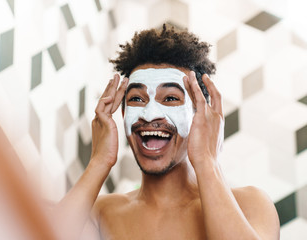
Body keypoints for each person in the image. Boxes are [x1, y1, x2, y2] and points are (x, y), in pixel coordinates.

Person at [53, 24, 280, 240]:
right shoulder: (100, 213)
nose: (150, 115)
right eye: (136, 99)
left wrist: (207, 162)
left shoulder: (250, 204)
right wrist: (99, 162)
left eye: (170, 98)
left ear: (201, 116)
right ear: (123, 115)